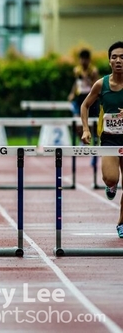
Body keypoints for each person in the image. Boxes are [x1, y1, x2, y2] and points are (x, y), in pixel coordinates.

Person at [80, 41, 123, 239]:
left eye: (122, 57)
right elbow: (85, 105)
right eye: (114, 57)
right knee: (112, 177)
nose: (118, 61)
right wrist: (86, 130)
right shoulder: (101, 84)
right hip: (109, 140)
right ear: (109, 61)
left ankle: (121, 222)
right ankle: (111, 184)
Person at [68, 48, 99, 117]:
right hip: (80, 95)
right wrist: (72, 93)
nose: (83, 61)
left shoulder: (93, 71)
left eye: (85, 59)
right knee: (78, 116)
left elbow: (96, 85)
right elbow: (76, 82)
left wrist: (87, 78)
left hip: (90, 95)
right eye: (82, 59)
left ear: (89, 60)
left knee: (91, 117)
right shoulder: (77, 70)